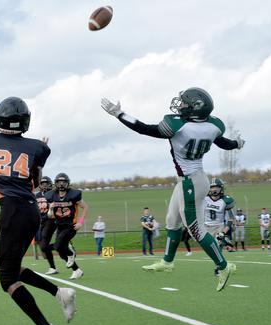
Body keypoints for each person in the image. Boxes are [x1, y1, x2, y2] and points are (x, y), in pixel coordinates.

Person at [101, 87, 245, 291]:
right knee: (172, 221)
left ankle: (223, 266)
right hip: (192, 179)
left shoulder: (179, 127)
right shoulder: (213, 126)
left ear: (195, 108)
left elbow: (144, 128)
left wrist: (119, 114)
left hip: (190, 183)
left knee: (196, 230)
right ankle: (168, 262)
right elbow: (224, 143)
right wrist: (237, 144)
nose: (181, 106)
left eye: (185, 103)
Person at [0, 97, 76, 325]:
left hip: (13, 211)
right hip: (27, 211)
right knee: (10, 267)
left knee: (6, 278)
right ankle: (60, 293)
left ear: (0, 118)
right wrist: (35, 153)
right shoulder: (38, 147)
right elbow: (36, 183)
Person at [46, 173, 89, 279]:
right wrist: (51, 208)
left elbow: (86, 207)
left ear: (68, 183)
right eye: (59, 182)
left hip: (71, 225)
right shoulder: (51, 196)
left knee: (59, 245)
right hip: (59, 225)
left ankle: (71, 253)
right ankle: (77, 270)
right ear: (55, 183)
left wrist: (81, 222)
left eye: (63, 182)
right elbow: (50, 216)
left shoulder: (73, 194)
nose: (61, 184)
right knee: (59, 250)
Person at [204, 178, 236, 252]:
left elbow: (231, 218)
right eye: (212, 187)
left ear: (221, 188)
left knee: (217, 249)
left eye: (217, 187)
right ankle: (226, 242)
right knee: (209, 250)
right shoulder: (204, 198)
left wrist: (224, 232)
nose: (214, 189)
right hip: (206, 227)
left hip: (219, 227)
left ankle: (221, 262)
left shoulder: (226, 200)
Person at [35, 176, 59, 275]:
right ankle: (53, 267)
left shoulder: (53, 194)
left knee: (44, 238)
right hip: (41, 222)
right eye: (42, 183)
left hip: (51, 220)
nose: (44, 185)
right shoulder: (37, 195)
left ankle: (62, 245)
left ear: (50, 184)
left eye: (46, 183)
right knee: (43, 246)